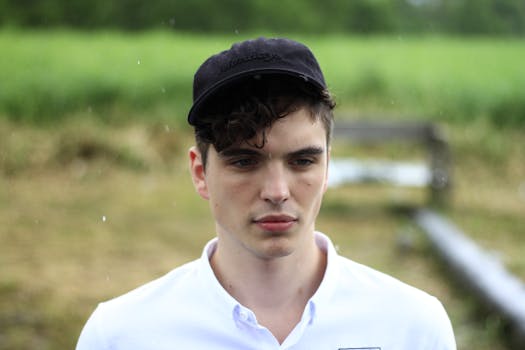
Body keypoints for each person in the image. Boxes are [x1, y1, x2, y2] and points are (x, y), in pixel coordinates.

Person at [76, 37, 456, 349]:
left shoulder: (413, 329)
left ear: (327, 167)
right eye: (245, 162)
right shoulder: (121, 336)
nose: (277, 191)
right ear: (200, 172)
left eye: (302, 161)